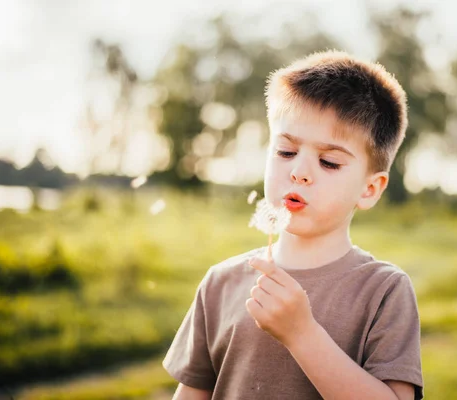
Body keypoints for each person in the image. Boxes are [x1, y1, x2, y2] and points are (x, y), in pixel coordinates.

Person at [162, 50, 423, 400]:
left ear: (370, 188)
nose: (299, 171)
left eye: (329, 162)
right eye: (286, 152)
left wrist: (302, 334)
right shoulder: (220, 283)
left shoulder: (384, 291)